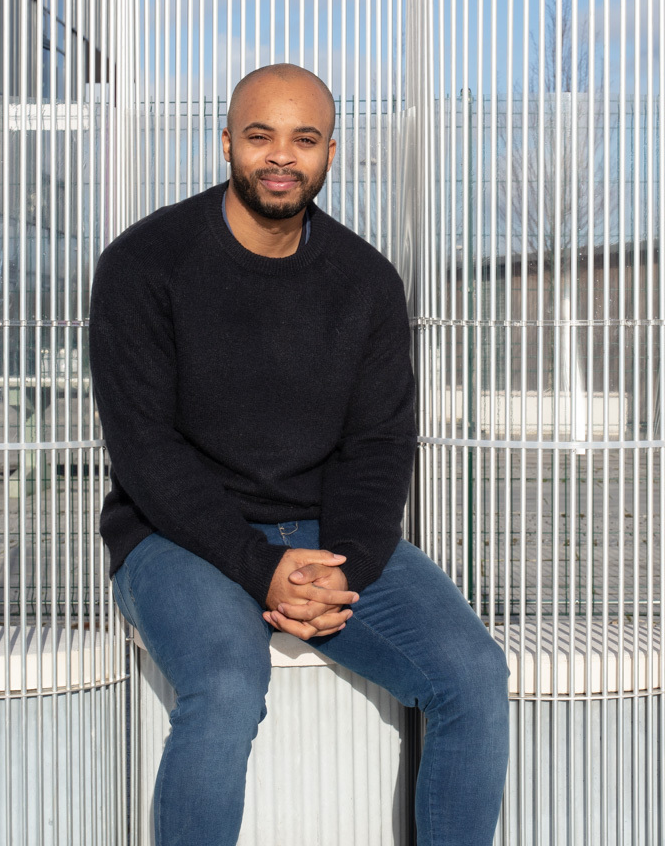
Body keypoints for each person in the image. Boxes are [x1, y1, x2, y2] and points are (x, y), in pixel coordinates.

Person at [88, 63, 510, 846]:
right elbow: (147, 454)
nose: (281, 157)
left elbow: (378, 446)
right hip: (175, 537)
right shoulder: (144, 265)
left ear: (330, 153)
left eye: (304, 139)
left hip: (322, 537)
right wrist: (258, 567)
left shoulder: (366, 282)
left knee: (474, 676)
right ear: (226, 144)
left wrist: (343, 563)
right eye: (260, 136)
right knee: (224, 684)